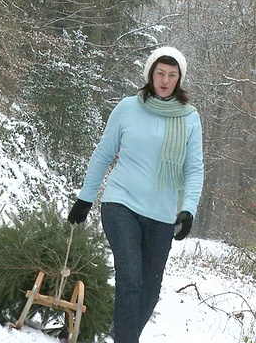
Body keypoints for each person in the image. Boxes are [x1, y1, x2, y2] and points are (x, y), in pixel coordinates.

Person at [67, 46, 203, 342]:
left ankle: (122, 335)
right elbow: (104, 154)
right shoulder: (128, 108)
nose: (165, 80)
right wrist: (85, 198)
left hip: (162, 213)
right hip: (121, 203)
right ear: (150, 74)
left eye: (172, 75)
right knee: (130, 279)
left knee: (150, 289)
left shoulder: (190, 118)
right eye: (160, 73)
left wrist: (188, 209)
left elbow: (194, 169)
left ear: (179, 79)